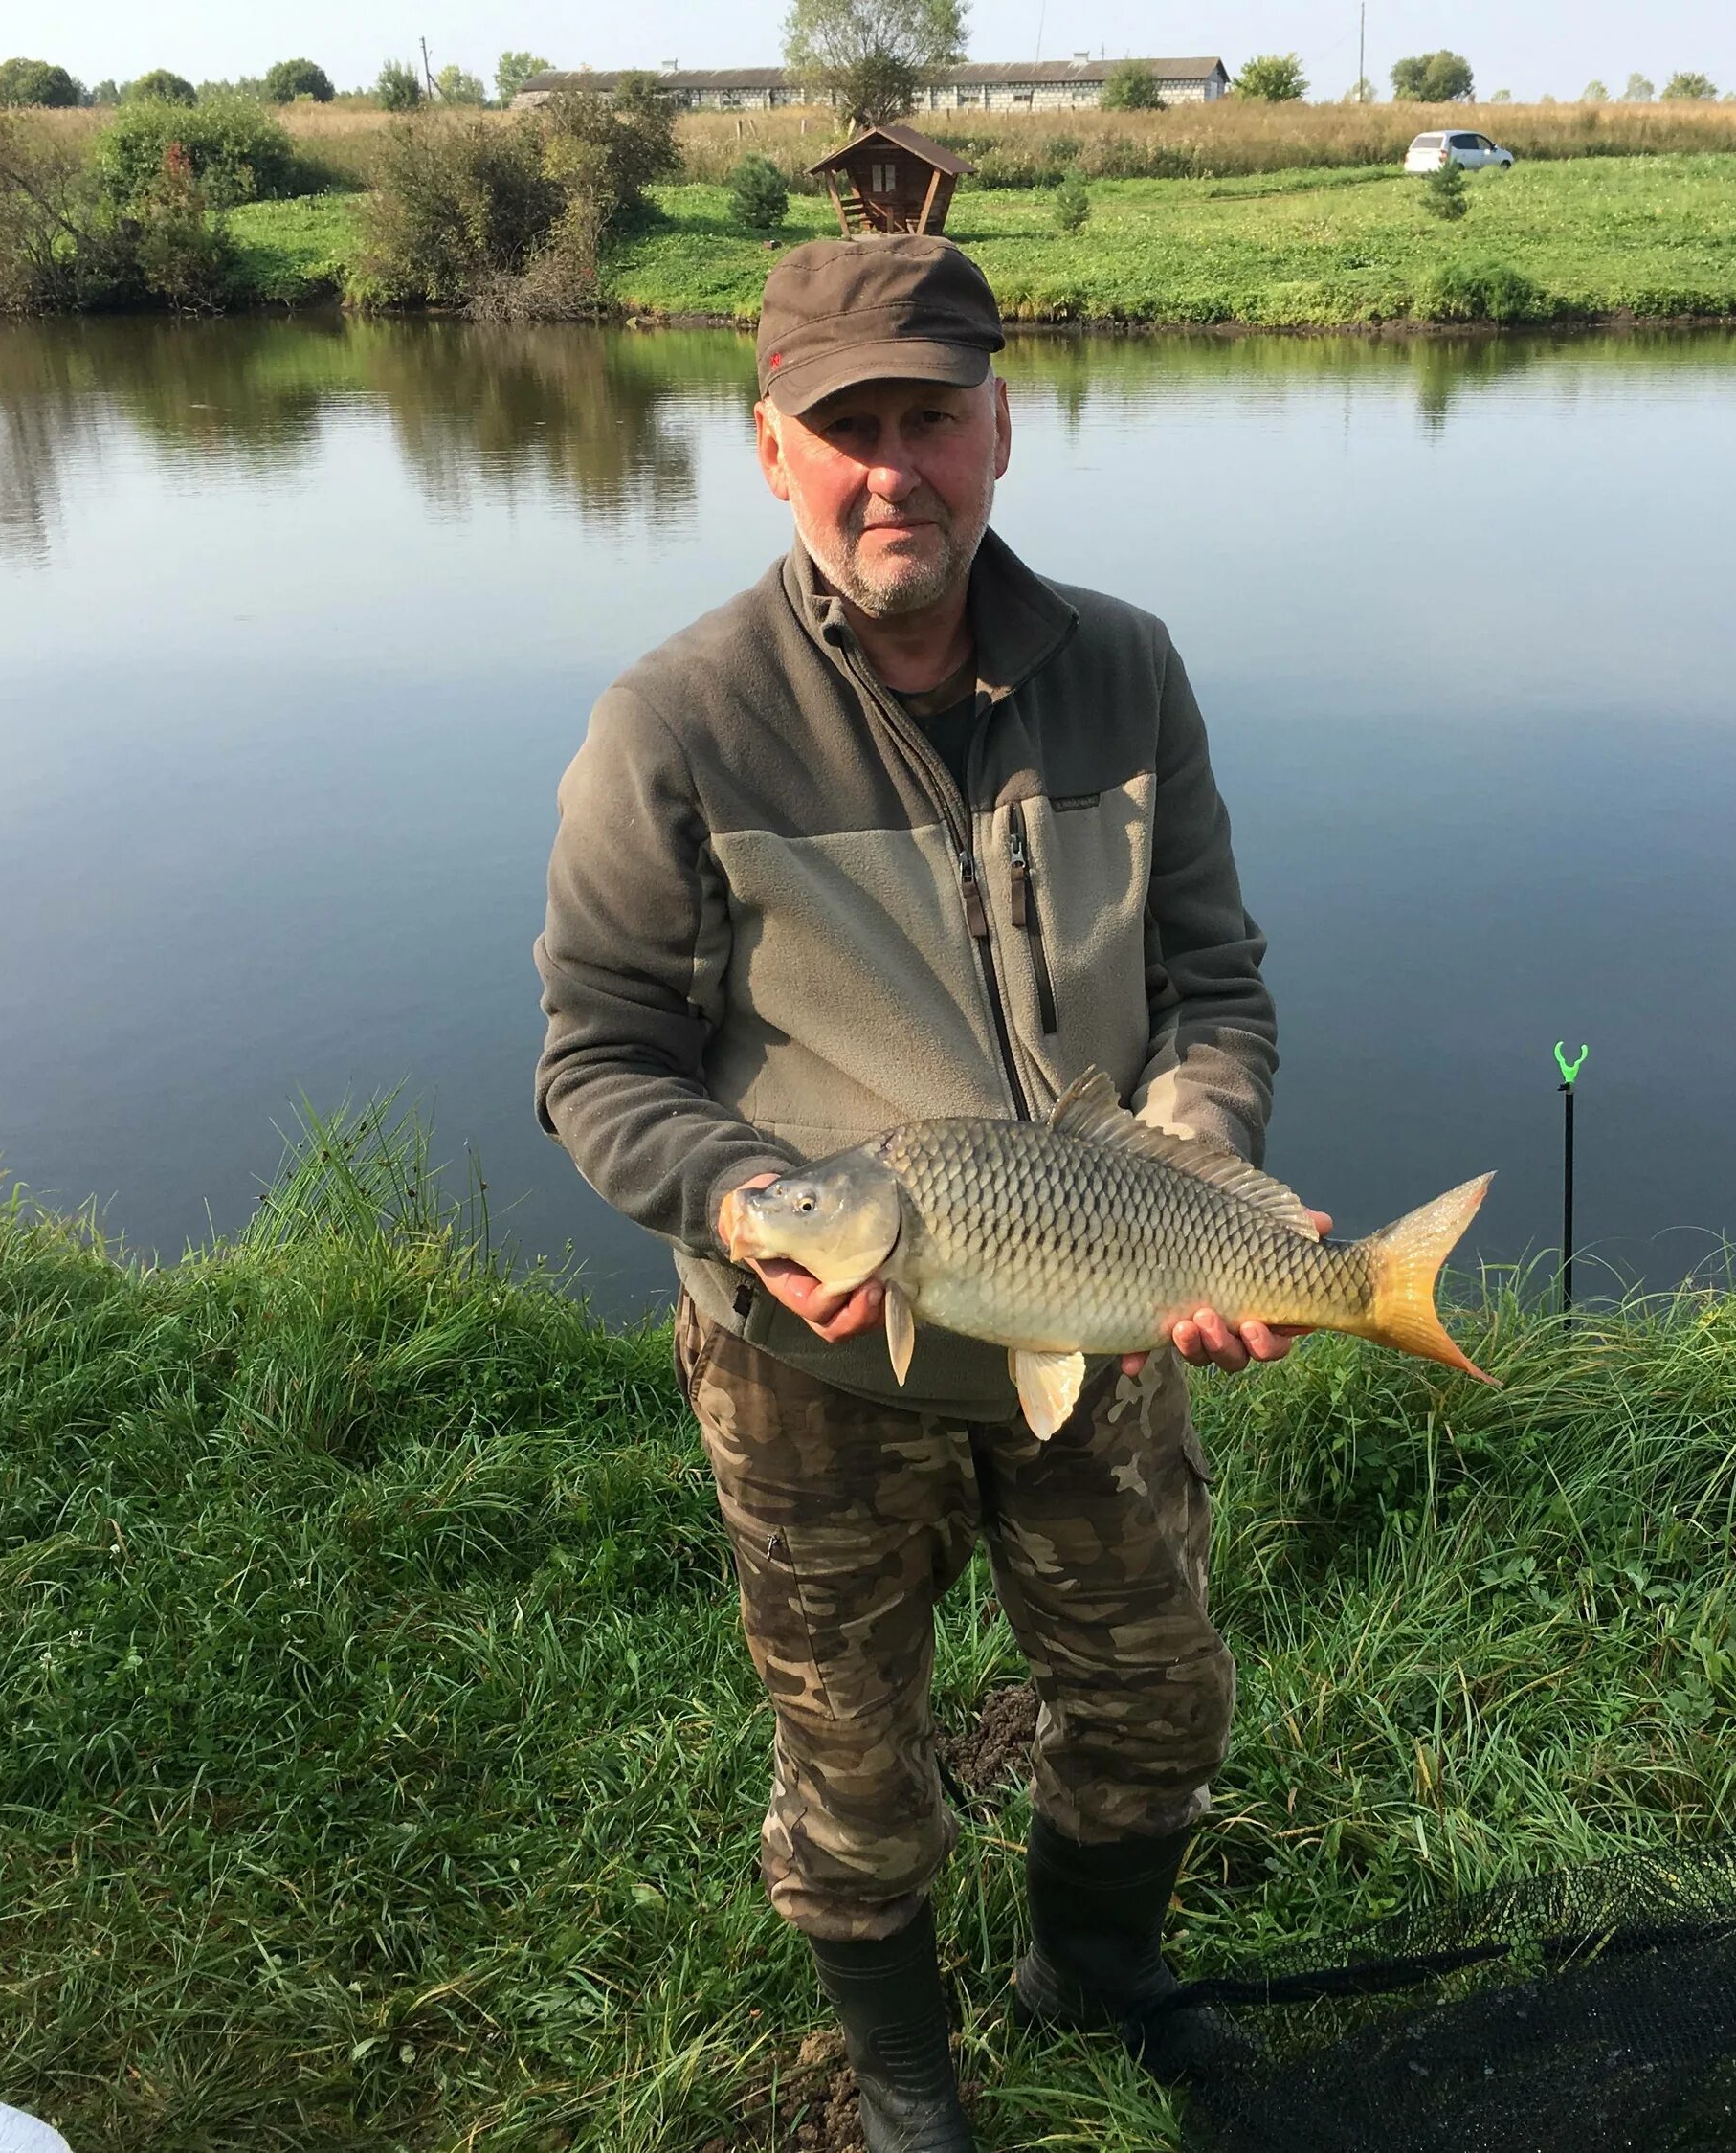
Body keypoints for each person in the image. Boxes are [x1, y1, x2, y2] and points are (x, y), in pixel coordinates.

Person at [534, 234, 1298, 2153]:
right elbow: (598, 1059)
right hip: (818, 1361)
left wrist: (1203, 1169)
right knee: (856, 1771)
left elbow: (1212, 982)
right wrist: (738, 1203)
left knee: (1155, 1713)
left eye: (933, 420)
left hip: (1100, 1309)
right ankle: (901, 2078)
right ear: (770, 448)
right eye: (848, 427)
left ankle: (1092, 1975)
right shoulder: (678, 723)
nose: (898, 471)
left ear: (1001, 430)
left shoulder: (1124, 669)